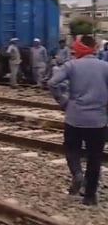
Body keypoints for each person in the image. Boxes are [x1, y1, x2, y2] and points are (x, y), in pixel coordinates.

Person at [47, 35, 108, 206]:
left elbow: (53, 83)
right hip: (98, 120)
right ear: (95, 47)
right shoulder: (105, 66)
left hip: (74, 117)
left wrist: (63, 101)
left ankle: (78, 175)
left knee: (72, 149)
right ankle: (90, 196)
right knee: (95, 157)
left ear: (78, 48)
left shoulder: (71, 65)